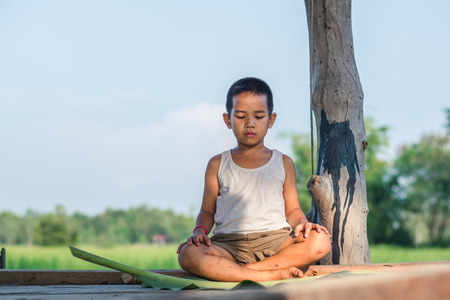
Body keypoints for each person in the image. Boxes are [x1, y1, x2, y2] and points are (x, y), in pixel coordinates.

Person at [177, 77, 331, 282]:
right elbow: (207, 211)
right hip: (228, 245)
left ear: (271, 120)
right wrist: (199, 231)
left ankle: (246, 272)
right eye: (241, 116)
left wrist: (303, 223)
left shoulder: (283, 162)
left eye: (259, 116)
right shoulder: (217, 163)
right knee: (188, 254)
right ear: (227, 120)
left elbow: (292, 209)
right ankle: (272, 274)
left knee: (320, 241)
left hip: (277, 242)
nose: (250, 123)